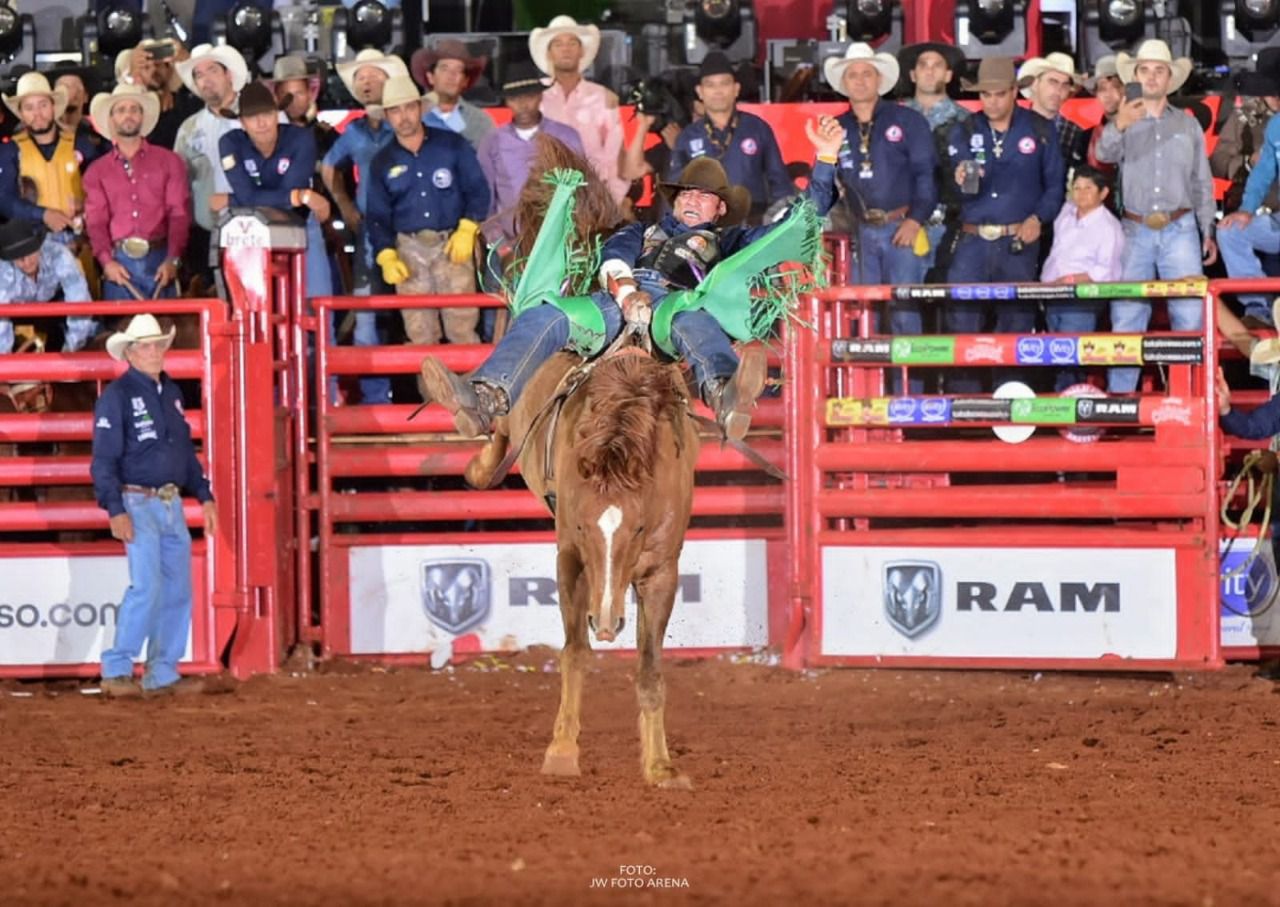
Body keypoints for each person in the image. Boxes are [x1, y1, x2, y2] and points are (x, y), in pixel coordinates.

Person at [419, 117, 845, 442]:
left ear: (720, 210)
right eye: (687, 194)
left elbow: (802, 220)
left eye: (706, 197)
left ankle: (724, 392)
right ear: (675, 203)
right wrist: (625, 291)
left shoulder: (734, 241)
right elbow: (614, 256)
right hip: (613, 303)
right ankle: (486, 396)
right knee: (549, 313)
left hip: (675, 306)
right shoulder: (638, 230)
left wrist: (825, 159)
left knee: (691, 314)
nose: (695, 200)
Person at [91, 314, 216, 698]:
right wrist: (115, 508)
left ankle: (161, 672)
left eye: (159, 344)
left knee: (177, 588)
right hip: (138, 500)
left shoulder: (171, 393)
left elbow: (184, 453)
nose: (155, 351)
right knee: (147, 586)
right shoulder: (117, 397)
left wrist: (204, 494)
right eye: (146, 345)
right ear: (129, 352)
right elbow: (103, 459)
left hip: (168, 502)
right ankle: (117, 670)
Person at [1095, 39, 1216, 394]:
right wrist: (1119, 123)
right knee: (1127, 319)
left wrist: (1206, 229)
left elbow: (1201, 182)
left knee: (1189, 318)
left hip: (1180, 226)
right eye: (1144, 70)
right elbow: (1103, 153)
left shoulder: (1188, 125)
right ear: (1135, 75)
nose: (1151, 77)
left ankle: (1190, 402)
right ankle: (1122, 403)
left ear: (1168, 79)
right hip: (1135, 228)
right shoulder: (1122, 119)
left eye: (1158, 70)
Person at [945, 57, 1065, 393]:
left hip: (1018, 241)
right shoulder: (964, 129)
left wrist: (1038, 219)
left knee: (1016, 322)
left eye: (999, 94)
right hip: (972, 239)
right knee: (963, 320)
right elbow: (954, 189)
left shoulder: (1040, 129)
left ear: (1015, 92)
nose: (992, 101)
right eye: (985, 95)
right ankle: (963, 403)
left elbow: (1055, 186)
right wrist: (957, 181)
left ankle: (1010, 398)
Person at [824, 43, 935, 392]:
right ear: (844, 82)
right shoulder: (835, 128)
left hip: (900, 228)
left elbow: (927, 176)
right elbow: (825, 182)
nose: (859, 81)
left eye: (866, 73)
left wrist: (916, 219)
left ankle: (912, 400)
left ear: (879, 79)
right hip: (858, 235)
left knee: (905, 314)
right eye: (852, 75)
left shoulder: (908, 121)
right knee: (860, 316)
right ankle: (863, 397)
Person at [366, 75, 490, 353]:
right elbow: (377, 215)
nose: (404, 116)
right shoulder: (382, 161)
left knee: (463, 327)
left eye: (409, 107)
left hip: (451, 242)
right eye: (395, 110)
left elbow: (478, 189)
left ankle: (473, 395)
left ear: (420, 108)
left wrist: (468, 229)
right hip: (408, 249)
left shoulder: (452, 145)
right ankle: (430, 397)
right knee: (420, 335)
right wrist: (386, 254)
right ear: (386, 116)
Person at [321, 49, 409, 405]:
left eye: (374, 75)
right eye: (361, 77)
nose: (367, 82)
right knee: (368, 317)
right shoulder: (355, 132)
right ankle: (376, 404)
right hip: (372, 234)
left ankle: (414, 398)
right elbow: (329, 167)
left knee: (417, 317)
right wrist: (344, 203)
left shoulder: (404, 121)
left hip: (409, 232)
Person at [218, 82, 332, 301]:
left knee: (317, 303)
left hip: (299, 223)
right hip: (252, 232)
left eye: (267, 114)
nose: (261, 123)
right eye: (252, 117)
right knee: (258, 303)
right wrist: (302, 197)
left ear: (277, 114)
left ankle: (324, 335)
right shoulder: (230, 142)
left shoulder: (301, 138)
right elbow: (252, 196)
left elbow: (253, 195)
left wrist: (232, 200)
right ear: (242, 122)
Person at [83, 83, 191, 302]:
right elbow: (96, 222)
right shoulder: (96, 171)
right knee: (121, 332)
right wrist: (107, 262)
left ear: (142, 117)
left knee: (165, 330)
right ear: (112, 119)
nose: (128, 115)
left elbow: (179, 214)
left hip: (160, 258)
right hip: (119, 262)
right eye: (121, 110)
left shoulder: (170, 162)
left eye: (134, 109)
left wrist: (173, 259)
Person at [668, 52, 791, 224]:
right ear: (700, 92)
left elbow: (779, 182)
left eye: (724, 83)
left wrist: (783, 220)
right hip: (704, 225)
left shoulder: (757, 128)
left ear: (736, 88)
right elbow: (674, 190)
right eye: (710, 85)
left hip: (753, 222)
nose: (718, 91)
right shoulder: (688, 137)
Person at [476, 61, 585, 242]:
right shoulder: (492, 141)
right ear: (506, 101)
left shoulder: (566, 137)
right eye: (514, 98)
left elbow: (581, 190)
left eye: (529, 96)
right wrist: (495, 240)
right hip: (509, 242)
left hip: (559, 238)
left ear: (540, 96)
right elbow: (486, 196)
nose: (523, 104)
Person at [1040, 166, 1125, 389]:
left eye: (1088, 188)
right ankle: (1058, 405)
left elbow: (1107, 271)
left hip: (1081, 298)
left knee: (1071, 355)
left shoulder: (1109, 227)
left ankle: (1069, 412)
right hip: (1051, 293)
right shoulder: (1066, 214)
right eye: (1077, 188)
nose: (1081, 193)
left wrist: (1071, 280)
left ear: (1103, 193)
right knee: (1054, 355)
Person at [174, 44, 251, 285]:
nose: (206, 80)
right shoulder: (188, 129)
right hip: (205, 235)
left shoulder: (260, 115)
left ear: (229, 74)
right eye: (198, 75)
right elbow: (178, 185)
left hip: (255, 230)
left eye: (212, 71)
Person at [530, 16, 628, 203]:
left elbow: (615, 153)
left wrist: (612, 199)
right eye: (558, 44)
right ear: (549, 52)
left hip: (593, 194)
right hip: (545, 193)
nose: (565, 49)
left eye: (572, 42)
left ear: (582, 50)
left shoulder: (603, 96)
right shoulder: (535, 95)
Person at [898, 40, 970, 279]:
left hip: (950, 223)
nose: (929, 70)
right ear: (912, 74)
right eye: (923, 65)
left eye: (937, 65)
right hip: (904, 224)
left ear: (949, 75)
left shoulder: (967, 121)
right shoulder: (894, 119)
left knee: (950, 303)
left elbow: (972, 180)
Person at [0, 72, 102, 234]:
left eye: (43, 105)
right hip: (33, 243)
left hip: (78, 238)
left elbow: (102, 188)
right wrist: (43, 214)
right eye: (29, 107)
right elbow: (4, 199)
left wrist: (87, 206)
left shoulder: (82, 144)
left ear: (53, 106)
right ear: (21, 113)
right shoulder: (10, 150)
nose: (37, 114)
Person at [1220, 64, 1280, 329]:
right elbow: (1263, 172)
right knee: (1230, 231)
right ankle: (1259, 309)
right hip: (1275, 221)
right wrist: (1246, 209)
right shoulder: (1275, 127)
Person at [0, 219, 93, 354]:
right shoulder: (2, 270)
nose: (26, 262)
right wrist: (5, 363)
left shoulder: (59, 255)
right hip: (15, 310)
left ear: (39, 247)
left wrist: (71, 349)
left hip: (55, 305)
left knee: (92, 333)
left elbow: (79, 300)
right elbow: (1, 317)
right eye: (19, 258)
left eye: (30, 253)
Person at [1212, 48, 1280, 218]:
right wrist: (1248, 162)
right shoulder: (1242, 117)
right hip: (1254, 210)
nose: (1276, 98)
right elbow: (1217, 162)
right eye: (1271, 92)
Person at [410, 40, 495, 149]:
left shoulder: (480, 121)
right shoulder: (410, 116)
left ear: (465, 81)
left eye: (458, 70)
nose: (451, 75)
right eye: (445, 68)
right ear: (430, 77)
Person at [1017, 52, 1088, 176]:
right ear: (1035, 84)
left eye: (1065, 85)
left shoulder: (1075, 132)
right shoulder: (1012, 126)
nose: (1058, 90)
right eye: (1053, 82)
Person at [131, 38, 200, 151]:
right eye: (146, 67)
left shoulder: (187, 104)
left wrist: (188, 64)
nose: (153, 70)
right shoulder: (135, 114)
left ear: (169, 70)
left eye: (158, 65)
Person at [1083, 56, 1122, 198]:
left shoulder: (1141, 126)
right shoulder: (1090, 133)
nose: (1108, 95)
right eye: (1102, 89)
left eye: (1115, 87)